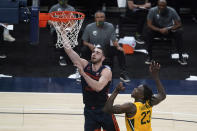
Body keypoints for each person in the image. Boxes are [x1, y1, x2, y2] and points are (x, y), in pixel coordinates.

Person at [63, 41, 120, 130]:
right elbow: (69, 51)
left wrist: (84, 74)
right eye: (93, 52)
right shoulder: (85, 64)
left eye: (98, 53)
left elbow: (98, 87)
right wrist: (62, 33)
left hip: (104, 109)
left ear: (103, 58)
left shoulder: (106, 71)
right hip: (89, 111)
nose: (94, 54)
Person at [103, 61, 166, 131]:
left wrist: (116, 91)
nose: (134, 89)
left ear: (142, 96)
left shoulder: (131, 107)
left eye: (137, 90)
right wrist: (156, 76)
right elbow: (162, 95)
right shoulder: (150, 103)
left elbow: (107, 109)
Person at [81, 10, 130, 82]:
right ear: (95, 19)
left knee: (120, 51)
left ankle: (123, 73)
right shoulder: (89, 27)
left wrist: (118, 47)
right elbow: (84, 42)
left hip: (105, 49)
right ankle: (81, 72)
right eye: (97, 17)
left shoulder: (110, 26)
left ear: (104, 18)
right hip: (93, 50)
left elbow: (114, 40)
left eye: (101, 17)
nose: (100, 19)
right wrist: (89, 44)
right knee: (84, 49)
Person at [144, 0, 187, 65]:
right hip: (157, 30)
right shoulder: (152, 10)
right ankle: (149, 56)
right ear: (157, 5)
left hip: (168, 30)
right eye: (160, 6)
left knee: (179, 31)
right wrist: (159, 30)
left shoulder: (172, 10)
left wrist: (168, 29)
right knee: (148, 31)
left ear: (166, 6)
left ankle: (181, 57)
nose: (162, 7)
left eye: (163, 6)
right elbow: (149, 24)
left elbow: (179, 24)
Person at [49, 0, 75, 66]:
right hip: (56, 30)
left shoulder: (71, 9)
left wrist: (69, 28)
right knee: (62, 37)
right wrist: (58, 25)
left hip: (67, 29)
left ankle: (72, 56)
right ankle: (62, 57)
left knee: (74, 34)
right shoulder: (54, 8)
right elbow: (49, 21)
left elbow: (73, 22)